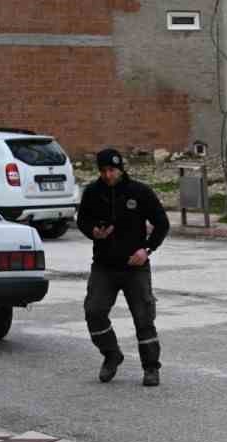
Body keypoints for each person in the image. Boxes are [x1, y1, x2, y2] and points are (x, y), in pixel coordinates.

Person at [76, 148, 170, 386]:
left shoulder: (139, 192)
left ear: (121, 169)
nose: (108, 175)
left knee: (143, 318)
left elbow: (162, 223)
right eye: (104, 171)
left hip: (135, 267)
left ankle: (151, 368)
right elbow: (82, 220)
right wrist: (93, 231)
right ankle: (111, 355)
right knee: (94, 312)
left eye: (112, 170)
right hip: (104, 267)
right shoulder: (93, 192)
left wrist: (146, 249)